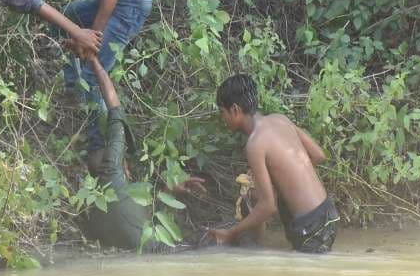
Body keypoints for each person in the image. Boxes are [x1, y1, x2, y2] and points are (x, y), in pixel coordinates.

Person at [12, 0, 155, 171]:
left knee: (92, 72)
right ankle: (74, 90)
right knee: (67, 21)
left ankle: (101, 150)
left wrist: (93, 36)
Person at [83, 48, 204, 250]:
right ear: (121, 165)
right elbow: (115, 112)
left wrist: (169, 192)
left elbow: (139, 224)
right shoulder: (112, 173)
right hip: (171, 255)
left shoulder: (96, 216)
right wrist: (94, 61)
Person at [209, 74, 340, 253]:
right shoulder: (280, 119)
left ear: (234, 109)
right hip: (328, 213)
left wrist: (231, 233)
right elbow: (318, 155)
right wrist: (283, 180)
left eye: (222, 113)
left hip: (310, 227)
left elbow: (268, 207)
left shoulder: (255, 143)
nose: (223, 119)